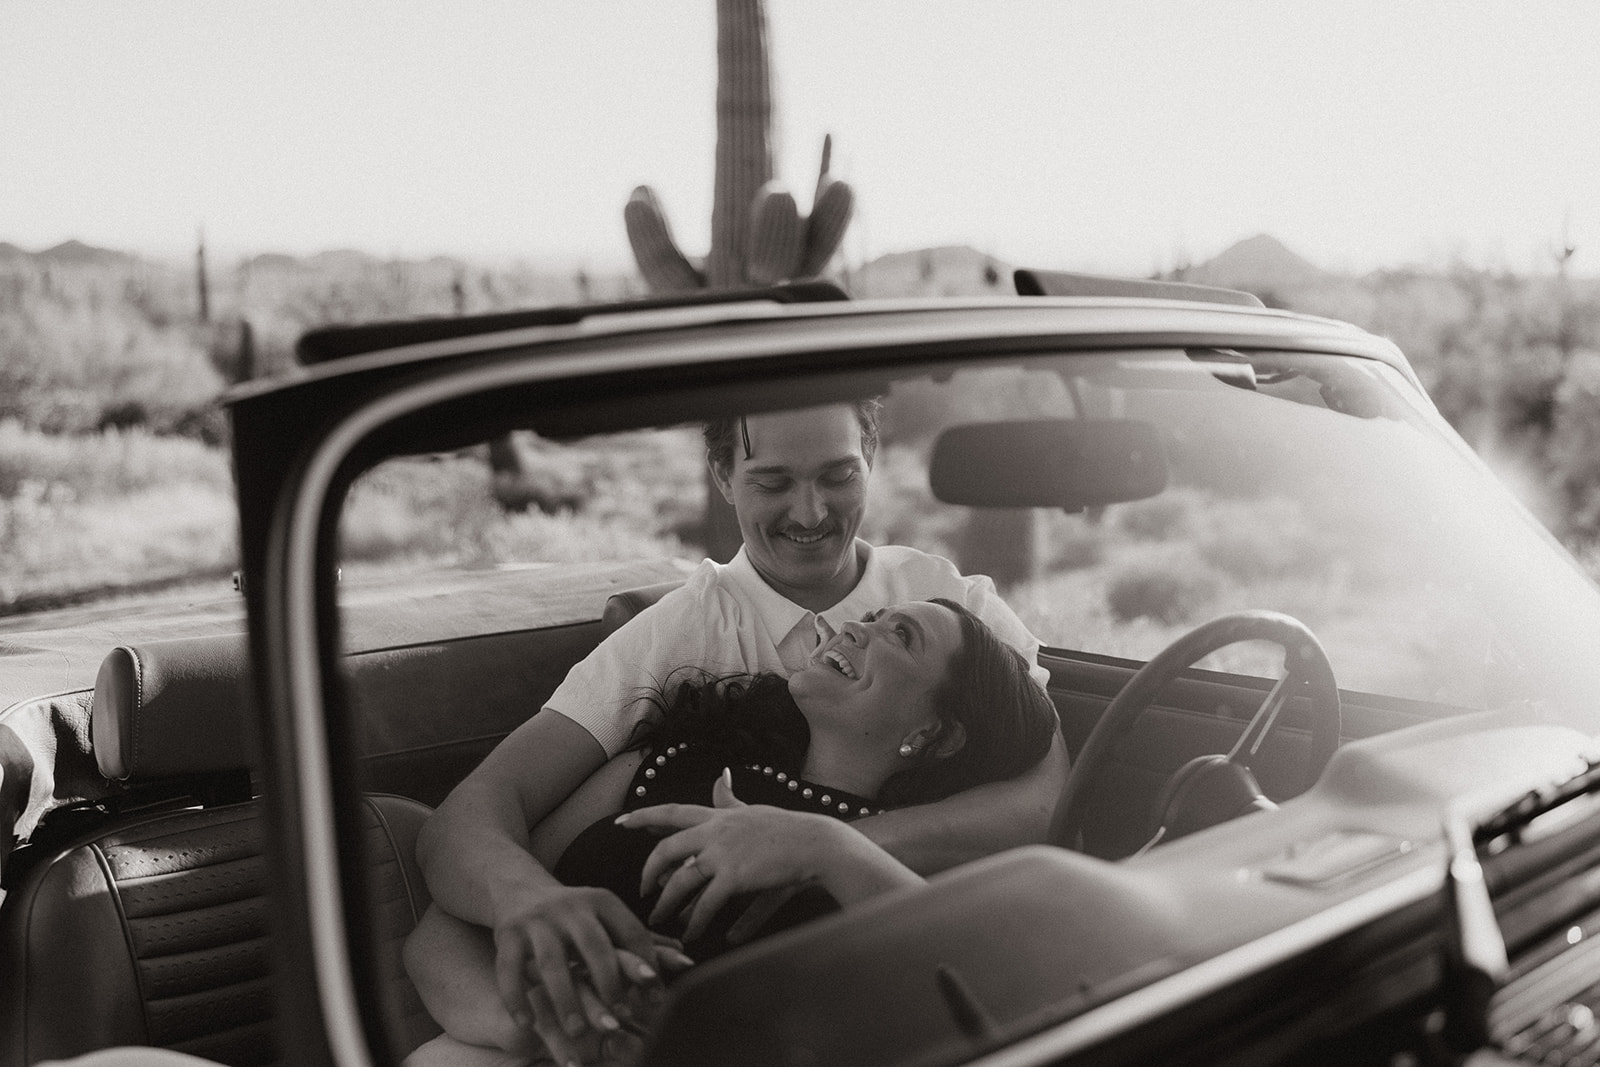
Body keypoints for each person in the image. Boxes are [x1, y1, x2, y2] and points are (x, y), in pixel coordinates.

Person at [413, 401, 1071, 1060]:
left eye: (839, 475)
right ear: (723, 476)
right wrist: (530, 915)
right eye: (774, 481)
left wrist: (815, 847)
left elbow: (1042, 806)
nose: (812, 513)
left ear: (872, 458)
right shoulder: (673, 652)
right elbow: (472, 818)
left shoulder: (959, 606)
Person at [404, 598, 1059, 1066]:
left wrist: (826, 846)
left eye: (902, 635)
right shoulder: (664, 764)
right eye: (870, 617)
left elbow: (992, 1000)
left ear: (933, 733)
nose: (860, 629)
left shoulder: (900, 880)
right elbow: (440, 931)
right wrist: (548, 1030)